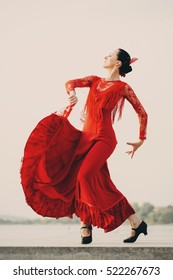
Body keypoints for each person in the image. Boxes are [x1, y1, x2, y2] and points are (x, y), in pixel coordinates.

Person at [20, 48, 148, 244]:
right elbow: (69, 82)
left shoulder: (122, 88)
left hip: (104, 139)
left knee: (83, 175)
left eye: (109, 55)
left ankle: (85, 225)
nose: (105, 56)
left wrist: (141, 139)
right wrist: (72, 94)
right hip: (86, 138)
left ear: (118, 63)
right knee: (99, 182)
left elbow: (142, 113)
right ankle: (136, 222)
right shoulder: (94, 80)